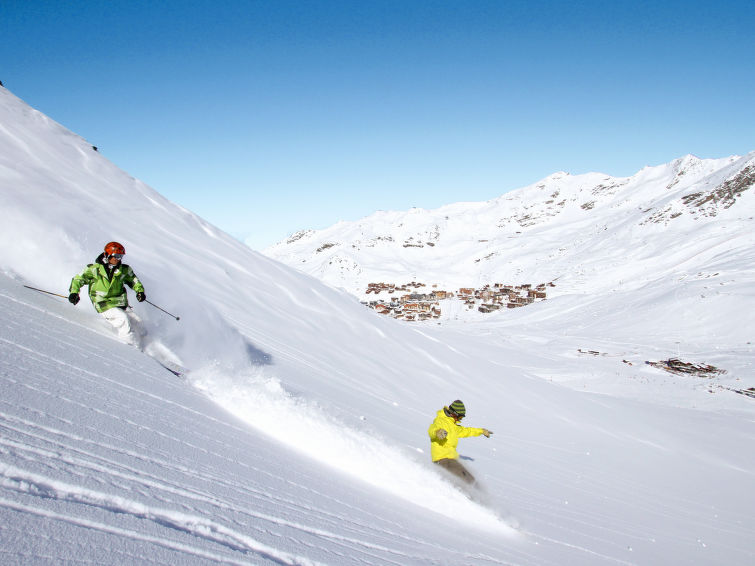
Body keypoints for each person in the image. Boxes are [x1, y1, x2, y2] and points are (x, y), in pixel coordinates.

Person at [68, 241, 146, 346]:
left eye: (121, 256)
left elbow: (134, 281)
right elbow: (78, 279)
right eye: (116, 256)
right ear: (107, 255)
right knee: (123, 319)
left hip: (120, 302)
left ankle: (148, 345)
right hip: (103, 303)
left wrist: (140, 291)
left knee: (139, 323)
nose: (119, 259)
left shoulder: (124, 270)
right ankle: (130, 346)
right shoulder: (94, 269)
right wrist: (74, 293)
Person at [428, 400, 493, 486]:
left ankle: (477, 497)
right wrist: (437, 432)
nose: (460, 420)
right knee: (463, 482)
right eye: (460, 417)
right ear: (454, 414)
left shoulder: (453, 425)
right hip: (442, 459)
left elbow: (466, 431)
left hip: (451, 459)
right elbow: (431, 430)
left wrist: (481, 431)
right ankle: (465, 497)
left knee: (471, 480)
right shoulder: (440, 421)